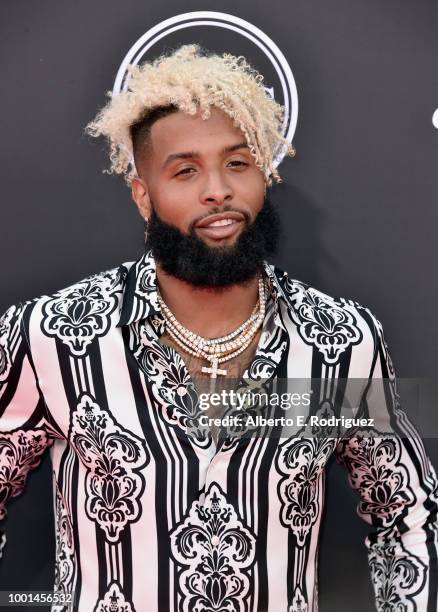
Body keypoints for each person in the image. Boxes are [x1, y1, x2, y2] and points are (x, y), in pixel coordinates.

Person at [0, 44, 437, 612]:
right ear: (143, 196)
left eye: (238, 163)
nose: (218, 190)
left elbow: (404, 515)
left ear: (264, 176)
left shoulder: (343, 343)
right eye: (185, 171)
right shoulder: (52, 335)